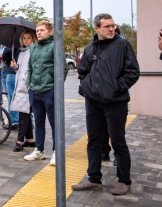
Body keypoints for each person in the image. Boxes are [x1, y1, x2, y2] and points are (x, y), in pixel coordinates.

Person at [71, 14, 140, 196]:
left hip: (115, 102)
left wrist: (116, 88)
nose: (111, 29)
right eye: (107, 26)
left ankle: (124, 181)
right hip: (93, 103)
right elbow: (83, 71)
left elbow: (133, 72)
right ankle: (94, 179)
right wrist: (87, 88)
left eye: (113, 26)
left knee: (118, 141)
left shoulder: (122, 45)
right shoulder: (90, 48)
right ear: (97, 28)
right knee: (94, 141)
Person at [24, 21, 67, 166]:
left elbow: (63, 69)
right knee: (38, 121)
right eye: (37, 30)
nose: (39, 33)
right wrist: (29, 84)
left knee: (55, 123)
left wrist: (56, 87)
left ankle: (57, 152)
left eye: (42, 30)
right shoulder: (34, 47)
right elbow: (30, 68)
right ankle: (39, 150)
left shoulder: (55, 46)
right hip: (35, 91)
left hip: (49, 90)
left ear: (50, 31)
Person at [10, 31, 36, 152]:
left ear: (33, 39)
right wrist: (15, 67)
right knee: (25, 114)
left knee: (23, 115)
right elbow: (20, 70)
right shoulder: (21, 53)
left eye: (28, 38)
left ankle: (19, 141)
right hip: (19, 87)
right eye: (24, 38)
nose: (26, 40)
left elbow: (32, 70)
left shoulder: (34, 52)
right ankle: (30, 140)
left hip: (27, 87)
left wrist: (26, 79)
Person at [2, 45, 21, 128]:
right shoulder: (27, 47)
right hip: (22, 74)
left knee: (12, 98)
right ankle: (27, 120)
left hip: (12, 73)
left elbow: (4, 56)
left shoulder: (11, 46)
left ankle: (14, 120)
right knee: (23, 97)